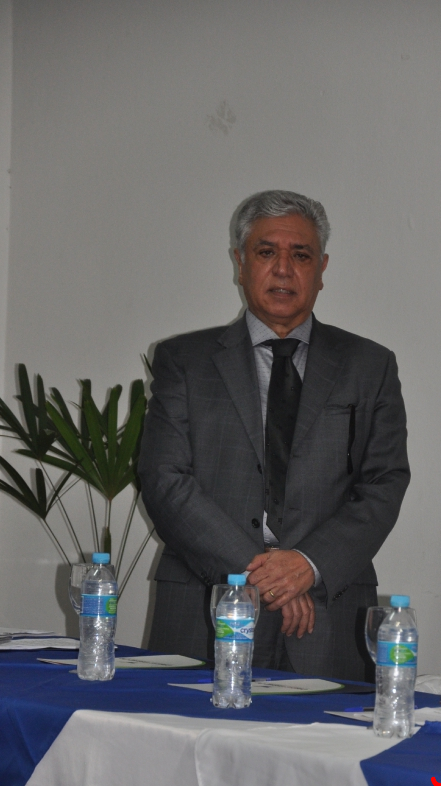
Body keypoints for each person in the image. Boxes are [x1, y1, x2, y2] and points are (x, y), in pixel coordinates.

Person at [138, 190, 410, 680]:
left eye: (300, 255)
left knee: (327, 731)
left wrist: (308, 564)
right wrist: (265, 574)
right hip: (205, 607)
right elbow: (165, 479)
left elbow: (384, 483)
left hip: (331, 612)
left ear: (322, 268)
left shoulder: (369, 366)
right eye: (266, 252)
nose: (283, 269)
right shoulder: (184, 360)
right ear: (240, 262)